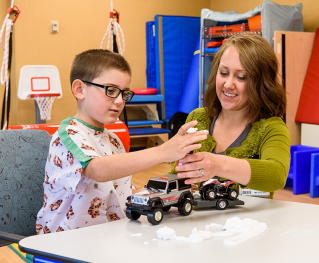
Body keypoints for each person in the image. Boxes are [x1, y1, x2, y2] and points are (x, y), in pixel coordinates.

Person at [36, 49, 208, 234]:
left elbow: (122, 192)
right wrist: (163, 151)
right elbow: (97, 170)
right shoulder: (68, 135)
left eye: (124, 93)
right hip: (64, 244)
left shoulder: (114, 140)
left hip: (109, 237)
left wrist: (171, 190)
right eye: (110, 90)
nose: (119, 100)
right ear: (80, 89)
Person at [171, 33, 290, 198]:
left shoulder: (272, 128)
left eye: (241, 77)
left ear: (260, 83)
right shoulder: (198, 118)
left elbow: (276, 175)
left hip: (248, 223)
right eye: (224, 73)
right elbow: (178, 174)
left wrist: (219, 165)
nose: (228, 84)